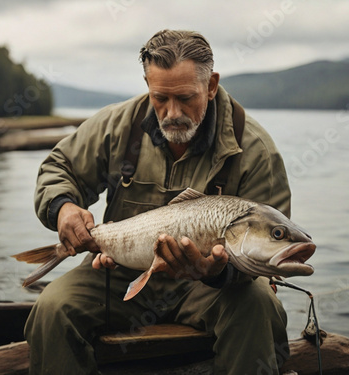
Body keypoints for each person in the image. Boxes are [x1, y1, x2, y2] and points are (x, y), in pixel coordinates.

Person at [25, 29, 292, 374]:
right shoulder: (118, 124)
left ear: (211, 86)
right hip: (119, 275)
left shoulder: (255, 149)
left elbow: (270, 247)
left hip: (212, 289)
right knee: (52, 307)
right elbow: (58, 167)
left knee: (258, 305)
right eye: (160, 98)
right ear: (147, 84)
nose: (171, 112)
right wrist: (63, 208)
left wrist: (218, 273)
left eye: (185, 98)